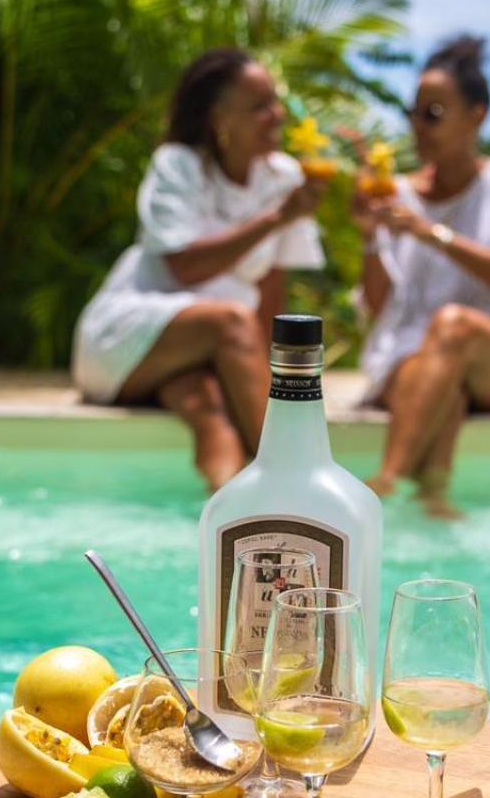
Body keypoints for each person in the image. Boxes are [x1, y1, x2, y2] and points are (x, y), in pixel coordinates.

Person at [72, 49, 326, 489]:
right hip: (130, 337)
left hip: (212, 350)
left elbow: (272, 294)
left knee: (212, 417)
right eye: (260, 106)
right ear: (219, 118)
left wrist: (260, 378)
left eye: (275, 101)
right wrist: (274, 219)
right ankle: (297, 491)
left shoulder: (284, 177)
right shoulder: (177, 165)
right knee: (228, 321)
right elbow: (185, 267)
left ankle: (220, 544)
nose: (277, 115)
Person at [354, 35, 490, 516]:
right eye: (414, 113)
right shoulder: (395, 193)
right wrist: (369, 236)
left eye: (434, 113)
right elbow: (379, 308)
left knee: (454, 326)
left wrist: (432, 235)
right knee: (445, 380)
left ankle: (385, 483)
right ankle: (434, 498)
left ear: (478, 114)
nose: (418, 127)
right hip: (411, 355)